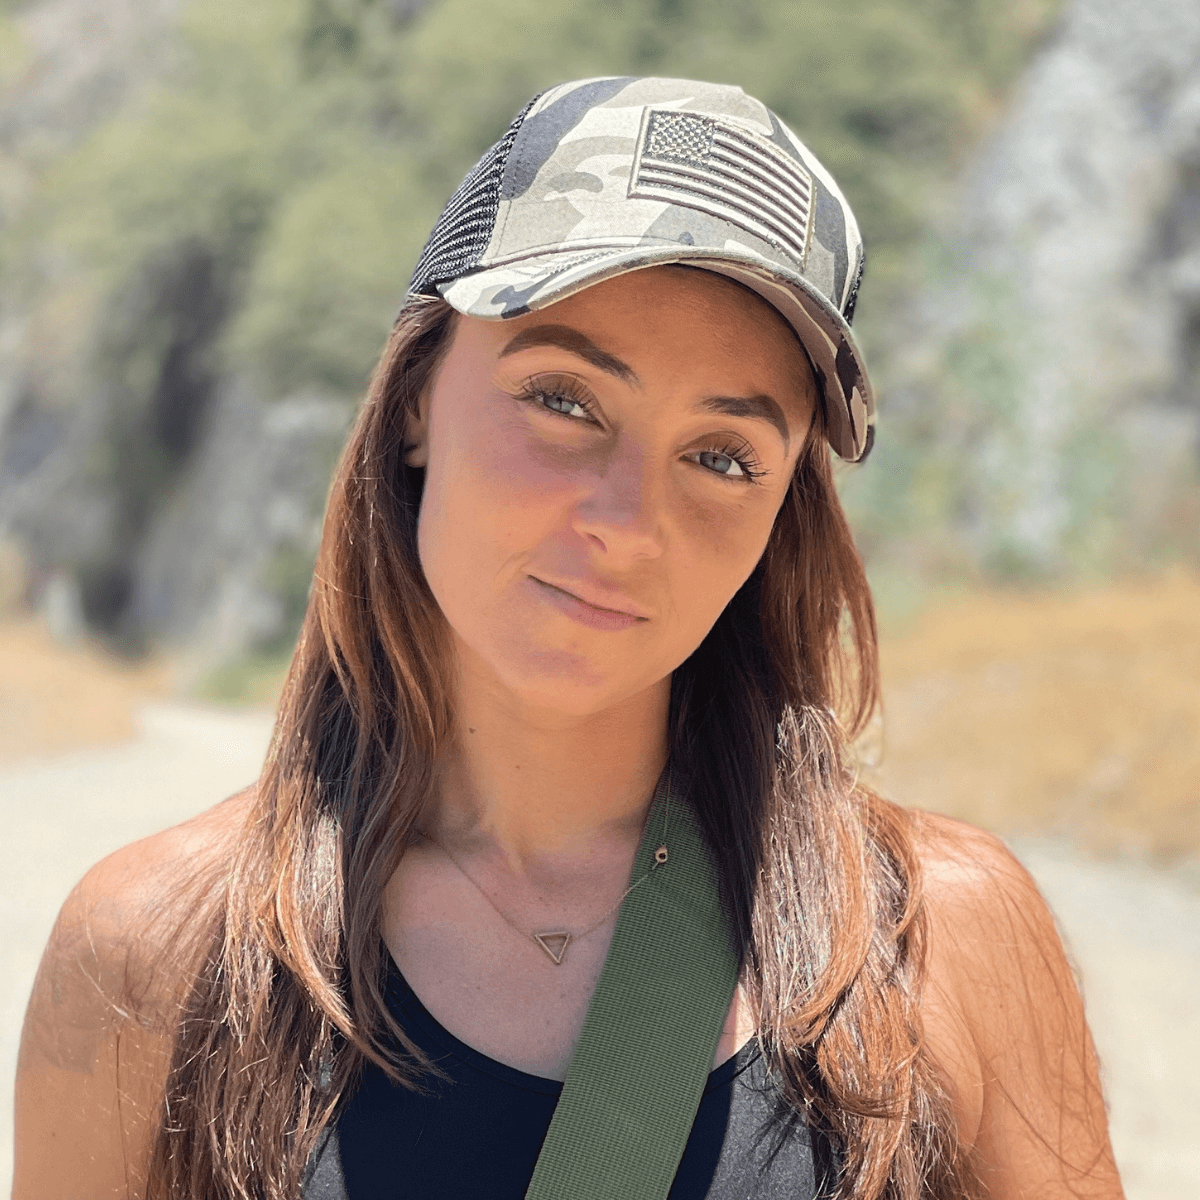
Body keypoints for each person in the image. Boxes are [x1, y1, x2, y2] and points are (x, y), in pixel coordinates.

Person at [14, 77, 1124, 1200]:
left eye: (723, 457)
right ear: (413, 403)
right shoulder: (154, 957)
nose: (627, 523)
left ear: (780, 510)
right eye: (566, 400)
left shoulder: (935, 940)